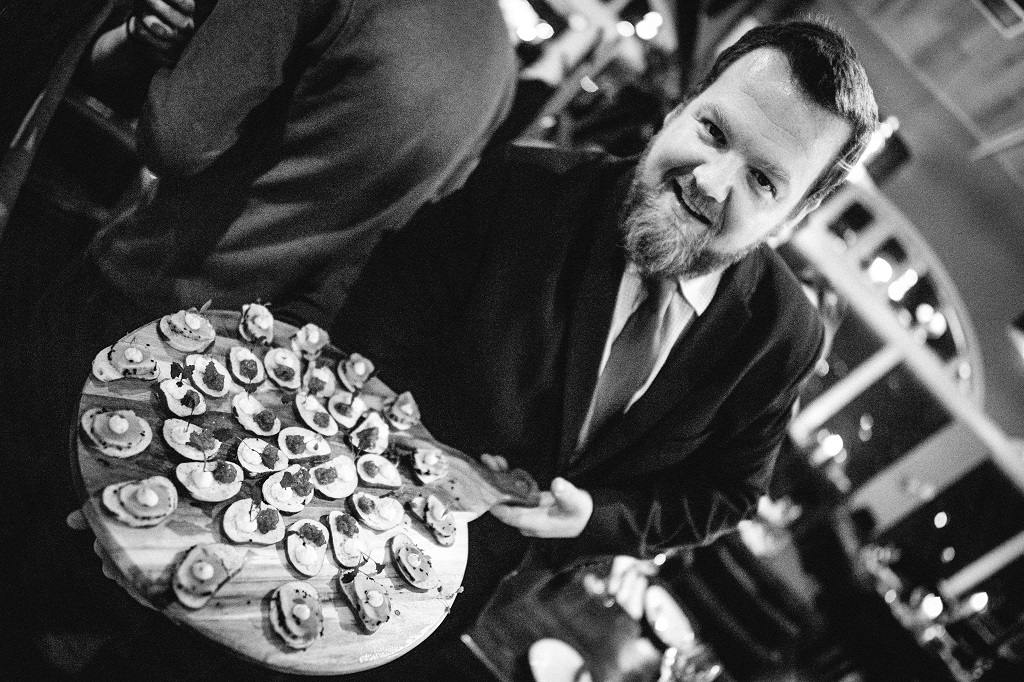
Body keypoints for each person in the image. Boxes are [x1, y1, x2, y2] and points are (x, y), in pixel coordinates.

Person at [318, 18, 878, 676]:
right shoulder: (522, 188)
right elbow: (376, 322)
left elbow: (726, 492)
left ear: (799, 212)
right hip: (353, 518)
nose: (712, 182)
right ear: (681, 105)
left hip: (497, 598)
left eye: (764, 181)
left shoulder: (782, 337)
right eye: (713, 131)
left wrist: (601, 519)